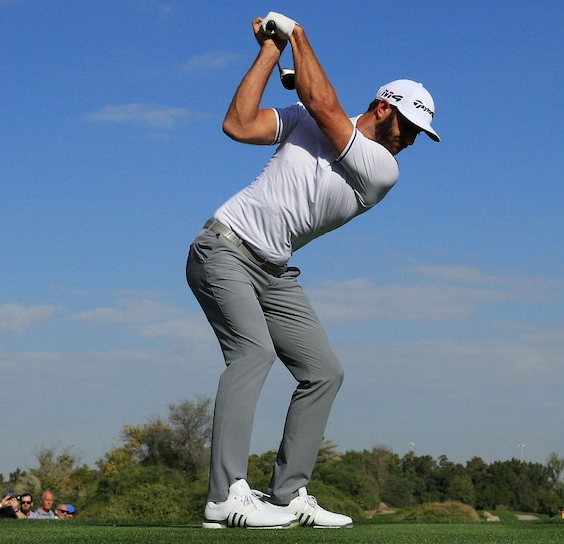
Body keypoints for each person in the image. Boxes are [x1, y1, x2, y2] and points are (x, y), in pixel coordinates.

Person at [186, 11, 438, 530]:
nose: (411, 140)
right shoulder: (304, 119)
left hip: (275, 271)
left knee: (324, 372)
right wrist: (270, 52)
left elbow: (326, 107)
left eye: (419, 134)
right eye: (409, 127)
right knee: (252, 353)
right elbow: (237, 124)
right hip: (223, 249)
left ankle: (287, 494)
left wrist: (295, 33)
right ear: (384, 108)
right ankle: (224, 496)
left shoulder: (382, 169)